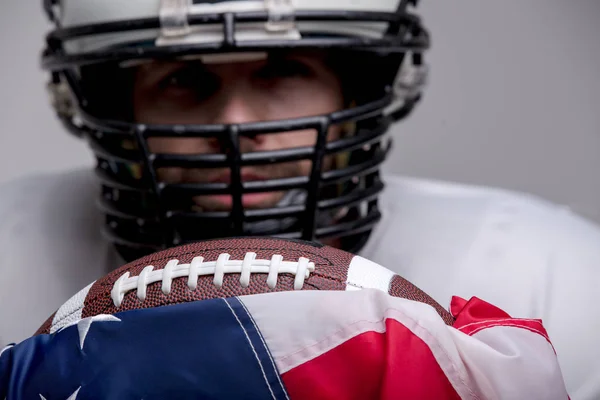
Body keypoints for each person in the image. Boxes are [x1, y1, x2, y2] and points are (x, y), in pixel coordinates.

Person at [0, 0, 598, 397]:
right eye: (182, 78)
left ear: (358, 89)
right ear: (110, 103)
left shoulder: (550, 269)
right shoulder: (12, 248)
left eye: (283, 70)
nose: (234, 122)